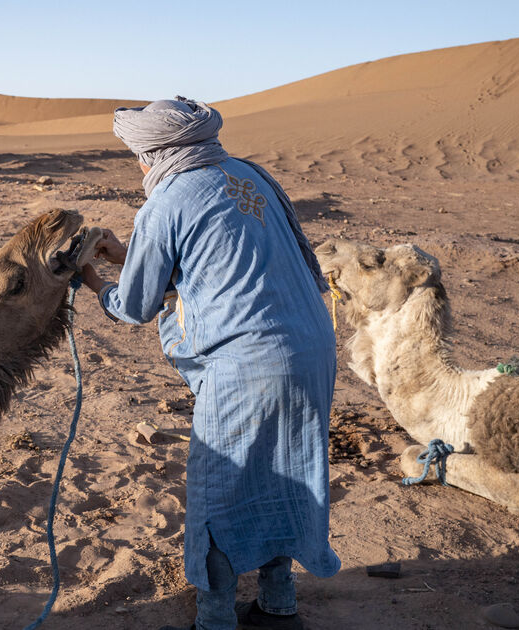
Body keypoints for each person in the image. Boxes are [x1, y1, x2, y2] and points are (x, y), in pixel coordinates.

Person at [80, 97, 339, 630]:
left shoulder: (167, 200)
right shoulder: (249, 173)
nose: (140, 167)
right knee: (285, 475)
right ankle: (279, 605)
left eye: (139, 157)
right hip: (311, 347)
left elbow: (135, 306)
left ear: (153, 152)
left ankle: (216, 618)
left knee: (219, 488)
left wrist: (93, 280)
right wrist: (126, 254)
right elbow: (214, 262)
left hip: (249, 363)